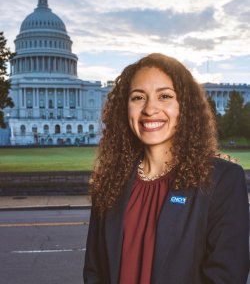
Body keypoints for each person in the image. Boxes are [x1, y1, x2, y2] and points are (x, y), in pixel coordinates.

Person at [83, 53, 249, 284]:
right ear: (125, 108)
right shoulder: (111, 182)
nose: (150, 109)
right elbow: (95, 271)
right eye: (138, 97)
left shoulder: (222, 179)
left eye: (165, 96)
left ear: (184, 107)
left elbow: (226, 276)